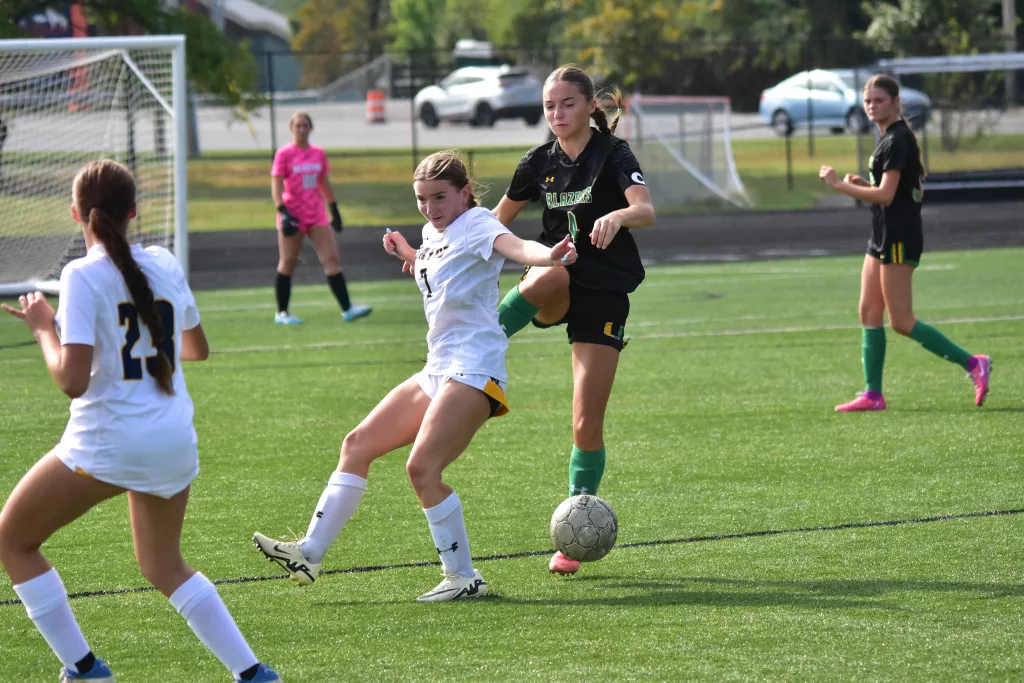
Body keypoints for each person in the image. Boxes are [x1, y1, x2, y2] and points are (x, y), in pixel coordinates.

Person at [0, 160, 281, 683]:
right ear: (133, 211)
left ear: (76, 214)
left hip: (108, 441)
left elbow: (72, 380)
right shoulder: (165, 263)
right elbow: (195, 348)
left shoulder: (80, 274)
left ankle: (85, 669)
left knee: (11, 540)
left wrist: (43, 328)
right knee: (163, 565)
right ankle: (254, 674)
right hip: (172, 437)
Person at [253, 151, 577, 602]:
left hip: (474, 368)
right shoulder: (431, 233)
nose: (430, 208)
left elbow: (517, 248)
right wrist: (409, 253)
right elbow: (440, 265)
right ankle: (309, 553)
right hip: (437, 368)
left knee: (422, 469)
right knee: (356, 445)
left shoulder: (479, 223)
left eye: (439, 197)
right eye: (422, 199)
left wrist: (550, 256)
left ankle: (463, 578)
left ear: (465, 193)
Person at [490, 65, 656, 576]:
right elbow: (493, 224)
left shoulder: (614, 153)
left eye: (567, 103)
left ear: (588, 106)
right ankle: (479, 339)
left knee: (585, 421)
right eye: (549, 105)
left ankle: (574, 527)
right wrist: (432, 252)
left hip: (604, 294)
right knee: (551, 272)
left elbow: (645, 210)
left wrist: (617, 216)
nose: (557, 113)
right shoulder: (537, 162)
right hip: (557, 282)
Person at [819, 74, 991, 412]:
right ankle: (873, 395)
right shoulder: (889, 138)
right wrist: (862, 185)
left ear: (896, 102)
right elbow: (903, 191)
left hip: (899, 238)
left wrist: (840, 186)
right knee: (869, 311)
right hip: (882, 235)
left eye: (879, 100)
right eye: (868, 101)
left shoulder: (897, 139)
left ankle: (974, 364)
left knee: (901, 321)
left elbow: (886, 195)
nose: (872, 106)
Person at [271, 111, 371, 325]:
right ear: (291, 129)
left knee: (332, 260)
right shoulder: (284, 154)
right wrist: (282, 212)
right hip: (293, 214)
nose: (302, 129)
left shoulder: (318, 153)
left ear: (311, 128)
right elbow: (276, 184)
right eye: (298, 126)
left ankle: (348, 309)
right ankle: (282, 313)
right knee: (288, 262)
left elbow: (324, 181)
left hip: (316, 213)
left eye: (305, 125)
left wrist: (333, 208)